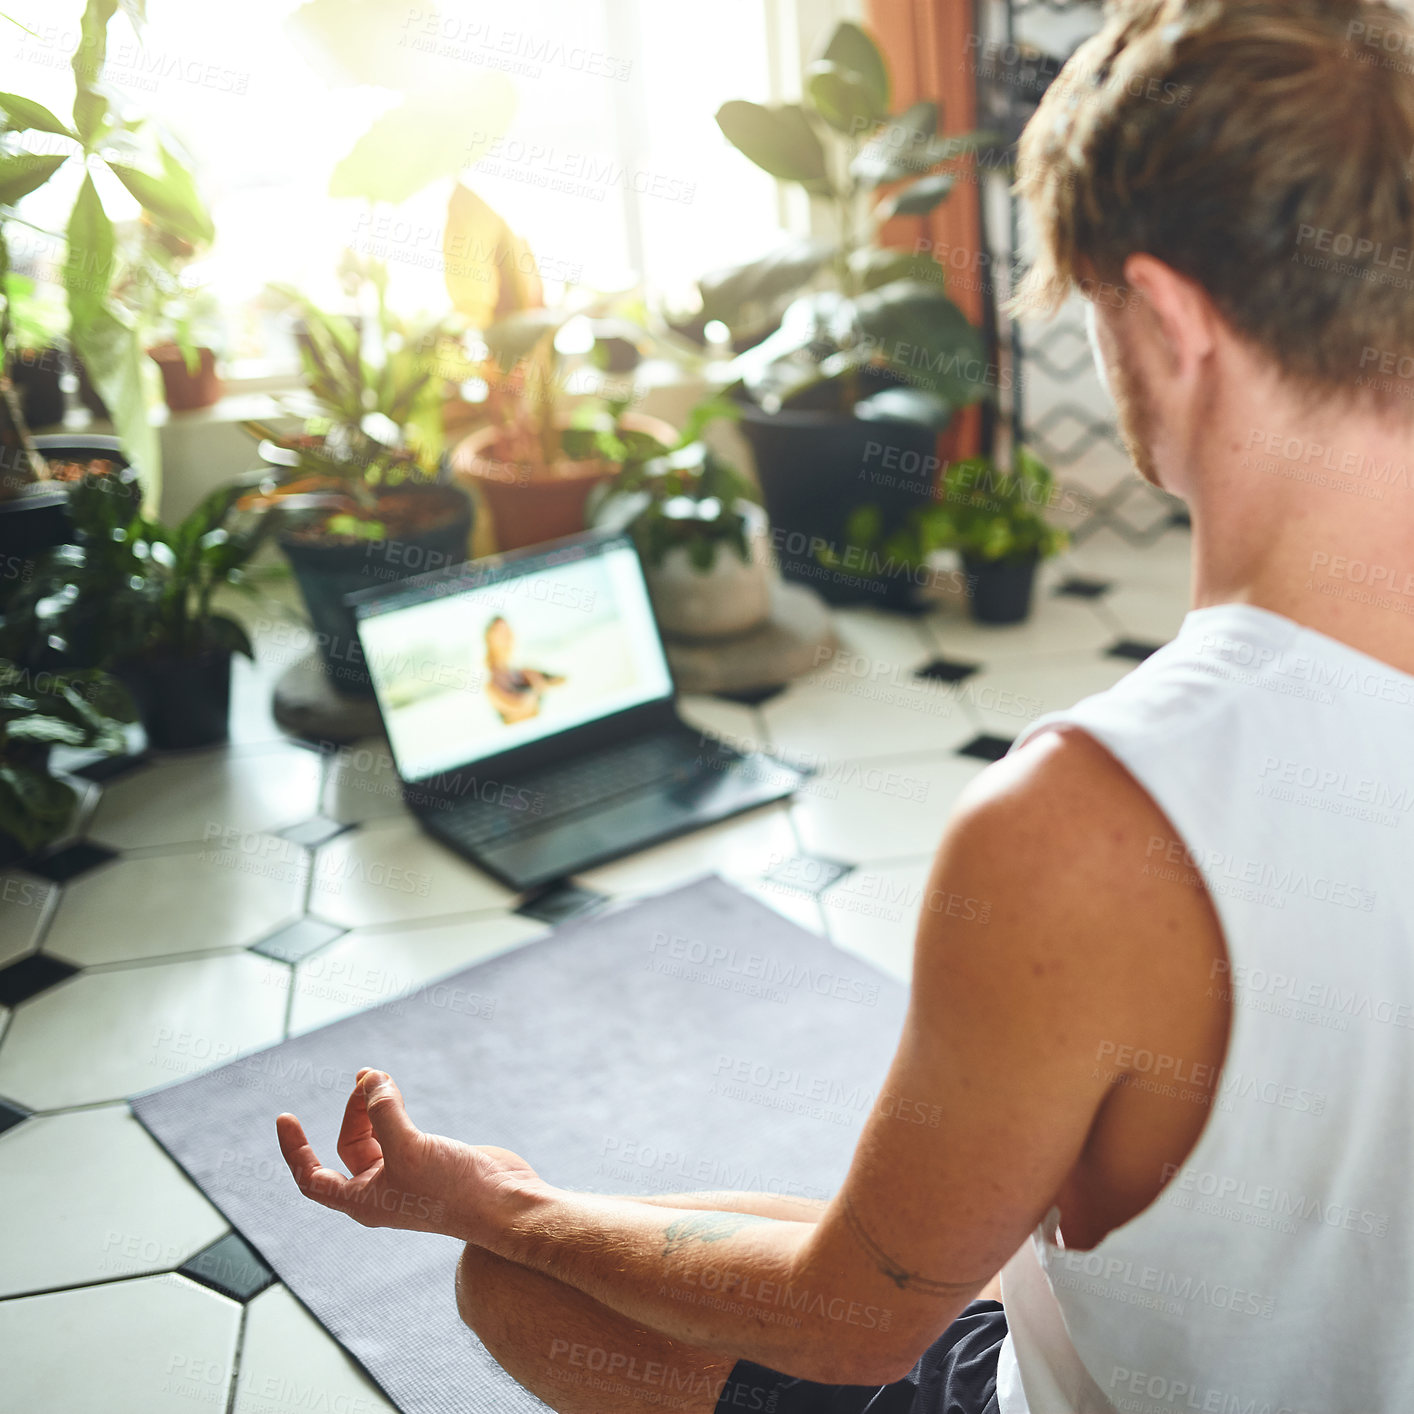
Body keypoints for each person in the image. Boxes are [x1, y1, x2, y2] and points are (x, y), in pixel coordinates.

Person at [275, 2, 1414, 1409]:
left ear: (1170, 323)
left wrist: (497, 1202)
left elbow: (844, 1333)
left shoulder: (1082, 821)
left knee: (519, 1279)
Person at [483, 614, 564, 725]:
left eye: (508, 631)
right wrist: (536, 683)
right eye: (500, 633)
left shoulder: (520, 671)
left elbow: (561, 680)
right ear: (489, 638)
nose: (507, 637)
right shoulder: (488, 679)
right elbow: (518, 707)